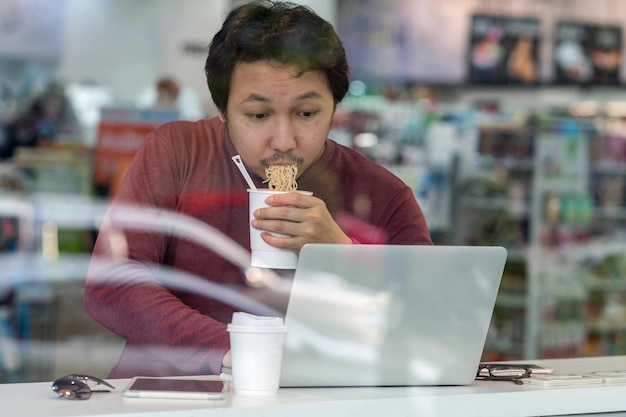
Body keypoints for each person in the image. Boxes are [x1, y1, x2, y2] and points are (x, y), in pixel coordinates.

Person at [84, 0, 432, 379]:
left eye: (306, 114)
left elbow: (429, 324)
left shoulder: (384, 195)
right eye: (258, 115)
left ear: (335, 107)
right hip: (169, 391)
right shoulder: (178, 152)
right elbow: (112, 285)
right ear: (222, 109)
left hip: (319, 396)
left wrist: (341, 252)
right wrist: (237, 350)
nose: (283, 140)